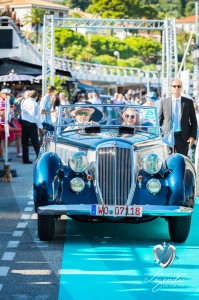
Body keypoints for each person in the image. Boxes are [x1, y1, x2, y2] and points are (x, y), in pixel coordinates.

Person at [159, 79, 197, 156]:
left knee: (181, 160)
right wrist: (160, 135)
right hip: (168, 136)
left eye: (179, 86)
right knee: (167, 160)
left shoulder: (188, 102)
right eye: (174, 86)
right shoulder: (164, 102)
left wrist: (192, 136)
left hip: (183, 137)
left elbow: (193, 121)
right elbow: (159, 121)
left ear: (181, 88)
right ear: (170, 87)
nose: (176, 88)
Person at [21, 90, 46, 164]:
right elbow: (37, 117)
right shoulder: (35, 104)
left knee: (25, 142)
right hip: (32, 123)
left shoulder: (24, 101)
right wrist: (40, 127)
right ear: (36, 96)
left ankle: (25, 159)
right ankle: (39, 158)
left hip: (24, 122)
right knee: (35, 142)